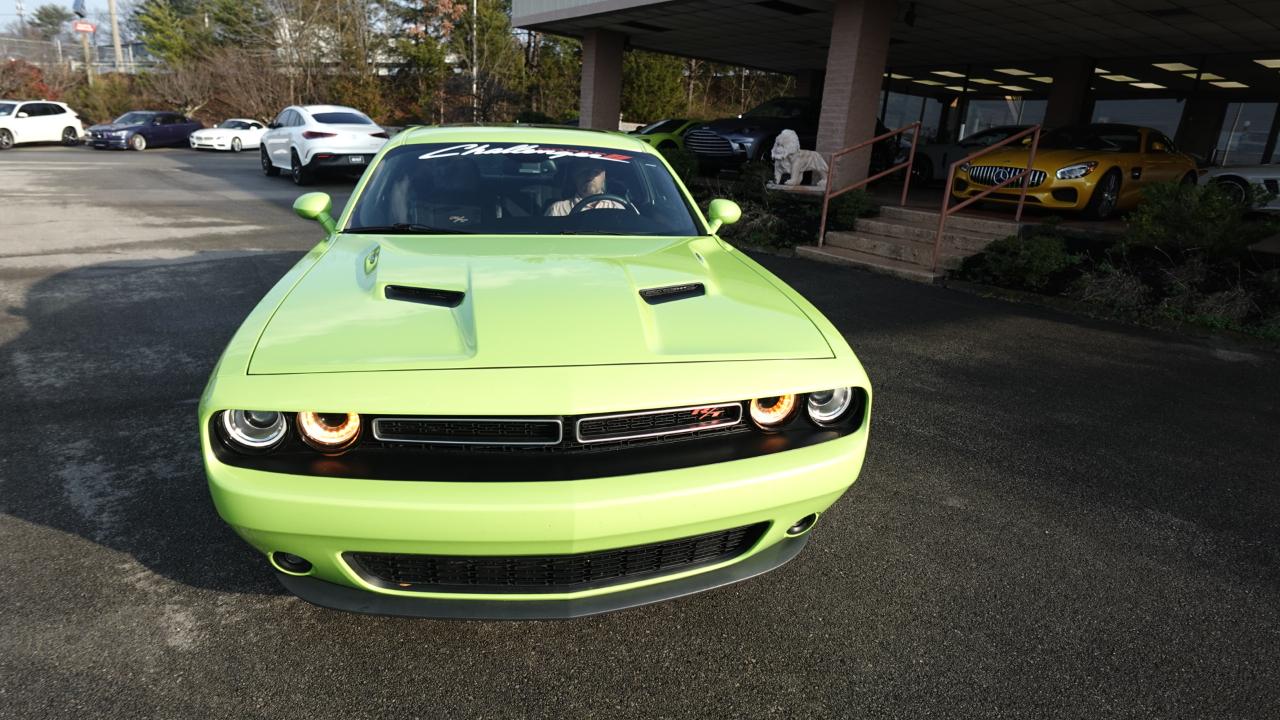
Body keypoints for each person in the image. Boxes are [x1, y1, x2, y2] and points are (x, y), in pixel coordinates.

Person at [545, 164, 625, 216]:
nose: (590, 176)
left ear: (604, 177)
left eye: (596, 172)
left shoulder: (617, 208)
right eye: (584, 171)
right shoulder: (557, 210)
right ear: (574, 177)